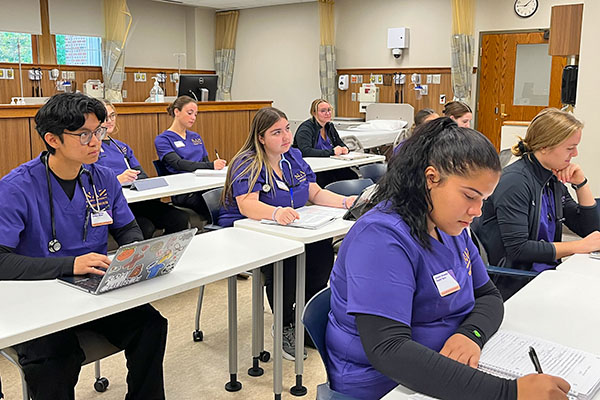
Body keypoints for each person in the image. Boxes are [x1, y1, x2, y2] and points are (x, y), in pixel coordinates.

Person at [325, 118, 571, 400]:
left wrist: (471, 334)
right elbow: (389, 349)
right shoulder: (381, 238)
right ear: (431, 179)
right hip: (386, 385)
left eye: (483, 200)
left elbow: (489, 296)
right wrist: (508, 393)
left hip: (444, 367)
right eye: (470, 196)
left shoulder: (450, 225)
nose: (477, 212)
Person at [0, 93, 167, 400]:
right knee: (57, 359)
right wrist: (69, 265)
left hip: (94, 290)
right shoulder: (16, 188)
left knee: (151, 326)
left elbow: (128, 227)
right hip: (39, 299)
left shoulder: (102, 178)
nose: (96, 142)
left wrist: (132, 256)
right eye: (84, 135)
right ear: (52, 139)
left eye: (99, 131)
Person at [218, 107, 356, 360]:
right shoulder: (247, 162)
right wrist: (275, 213)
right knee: (288, 266)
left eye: (287, 129)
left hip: (294, 228)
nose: (285, 137)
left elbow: (313, 192)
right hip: (252, 229)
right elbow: (247, 204)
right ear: (261, 137)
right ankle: (283, 325)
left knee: (322, 258)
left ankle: (304, 320)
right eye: (276, 132)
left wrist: (345, 202)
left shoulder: (292, 156)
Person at [475, 108, 600, 300]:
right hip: (515, 282)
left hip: (543, 274)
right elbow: (519, 249)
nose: (575, 154)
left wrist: (581, 184)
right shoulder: (515, 182)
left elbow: (591, 231)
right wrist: (578, 246)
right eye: (569, 148)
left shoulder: (551, 177)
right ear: (544, 146)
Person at [96, 99, 190, 239]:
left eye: (113, 115)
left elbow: (142, 175)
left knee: (179, 218)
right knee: (145, 227)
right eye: (105, 117)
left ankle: (164, 253)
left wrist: (131, 179)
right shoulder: (91, 148)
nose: (109, 120)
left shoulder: (121, 147)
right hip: (114, 203)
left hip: (136, 199)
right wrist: (117, 180)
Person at [154, 95, 227, 220]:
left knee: (228, 196)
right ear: (177, 112)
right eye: (189, 113)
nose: (193, 118)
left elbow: (205, 161)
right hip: (185, 191)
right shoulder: (163, 139)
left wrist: (213, 167)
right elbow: (178, 163)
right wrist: (211, 165)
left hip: (204, 185)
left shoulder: (195, 137)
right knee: (217, 205)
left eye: (195, 114)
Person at [293, 98, 358, 187]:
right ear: (314, 113)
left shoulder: (329, 126)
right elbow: (305, 151)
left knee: (352, 176)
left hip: (330, 164)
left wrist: (344, 148)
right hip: (315, 168)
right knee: (328, 181)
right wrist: (332, 152)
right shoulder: (305, 129)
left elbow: (339, 142)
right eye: (323, 111)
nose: (327, 113)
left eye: (329, 110)